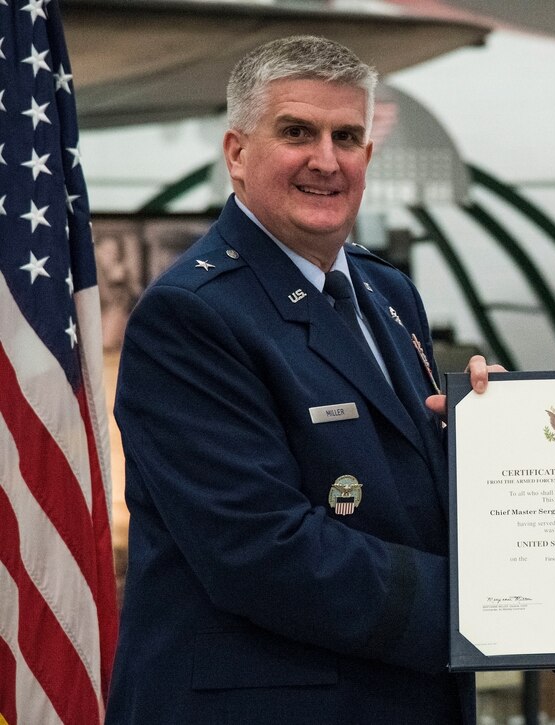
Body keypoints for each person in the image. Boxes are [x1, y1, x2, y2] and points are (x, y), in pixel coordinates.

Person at [106, 36, 497, 724]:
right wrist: (503, 605)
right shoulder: (191, 315)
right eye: (296, 133)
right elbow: (263, 550)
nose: (326, 159)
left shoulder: (386, 292)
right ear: (236, 153)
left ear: (368, 156)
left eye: (346, 137)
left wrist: (491, 442)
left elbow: (398, 492)